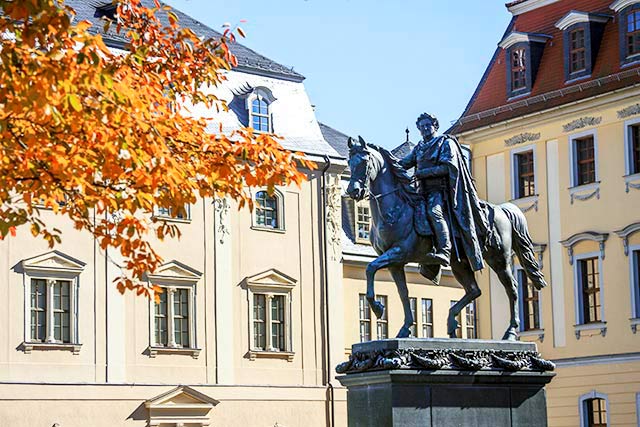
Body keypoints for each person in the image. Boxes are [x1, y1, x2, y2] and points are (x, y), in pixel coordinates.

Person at [399, 113, 490, 271]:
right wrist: (385, 166)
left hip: (441, 191)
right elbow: (404, 163)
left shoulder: (444, 143)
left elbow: (448, 168)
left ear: (435, 125)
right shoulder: (419, 148)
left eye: (428, 125)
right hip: (422, 191)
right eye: (421, 127)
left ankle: (444, 250)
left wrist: (424, 173)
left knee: (434, 212)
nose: (425, 129)